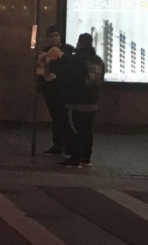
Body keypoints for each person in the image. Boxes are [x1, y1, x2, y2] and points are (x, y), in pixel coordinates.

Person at [51, 32, 104, 168]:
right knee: (87, 129)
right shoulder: (98, 60)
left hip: (78, 100)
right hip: (93, 100)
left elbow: (62, 69)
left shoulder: (76, 59)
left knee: (76, 129)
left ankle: (75, 158)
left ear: (80, 43)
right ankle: (86, 157)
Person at [36, 26, 69, 154]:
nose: (54, 38)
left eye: (56, 35)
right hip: (50, 89)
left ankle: (68, 144)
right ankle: (58, 144)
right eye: (51, 36)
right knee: (56, 118)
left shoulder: (67, 50)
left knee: (62, 118)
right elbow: (40, 69)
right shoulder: (45, 51)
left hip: (62, 89)